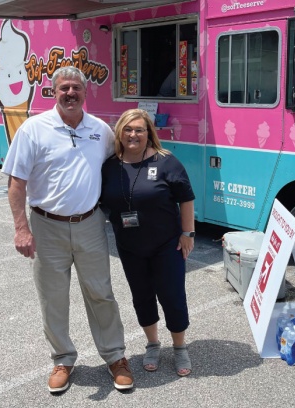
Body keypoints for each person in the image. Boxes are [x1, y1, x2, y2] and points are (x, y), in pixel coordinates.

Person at [2, 66, 133, 393]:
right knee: (53, 298)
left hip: (90, 224)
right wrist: (21, 228)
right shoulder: (34, 129)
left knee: (101, 292)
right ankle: (62, 359)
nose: (70, 93)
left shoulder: (100, 130)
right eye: (64, 89)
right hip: (46, 227)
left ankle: (115, 356)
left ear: (85, 93)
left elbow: (118, 166)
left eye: (76, 88)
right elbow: (16, 182)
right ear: (53, 92)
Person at [101, 108, 195, 377]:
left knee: (172, 296)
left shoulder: (166, 162)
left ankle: (179, 348)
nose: (133, 134)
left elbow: (186, 198)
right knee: (141, 297)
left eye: (139, 129)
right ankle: (152, 344)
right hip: (129, 247)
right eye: (128, 129)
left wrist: (187, 234)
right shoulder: (109, 166)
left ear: (148, 133)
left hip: (167, 244)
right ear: (120, 132)